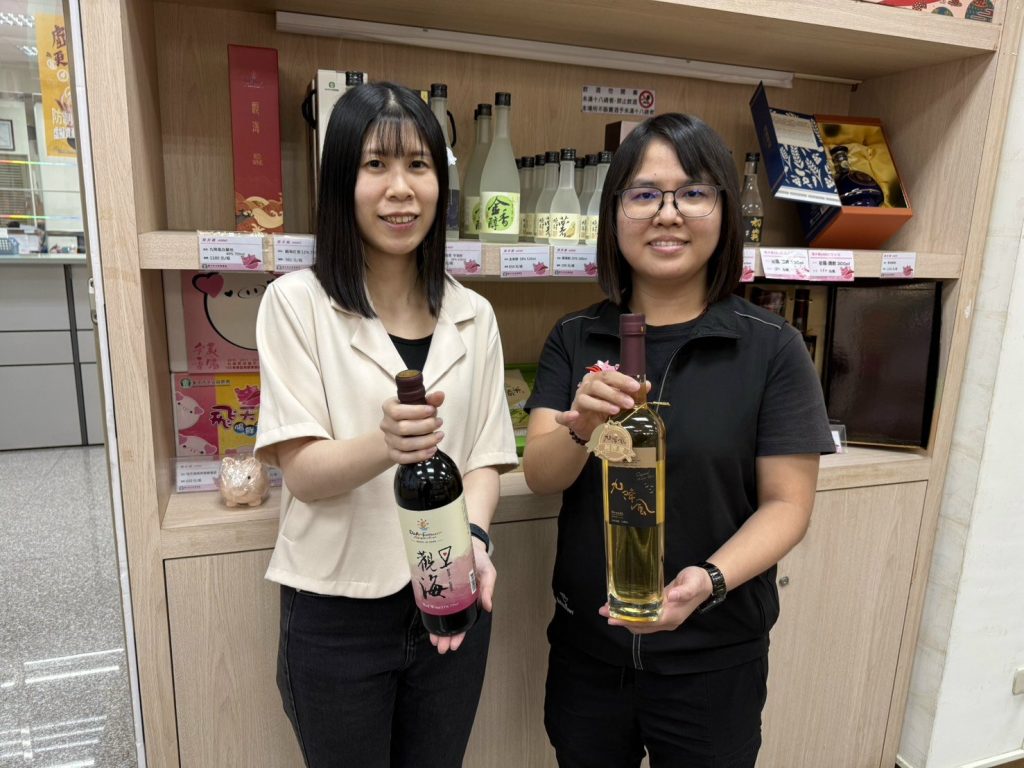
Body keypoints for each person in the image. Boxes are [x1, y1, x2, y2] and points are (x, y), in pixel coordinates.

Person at [522, 113, 835, 767]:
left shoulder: (771, 348)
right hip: (590, 653)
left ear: (724, 211)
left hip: (714, 657)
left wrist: (709, 582)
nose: (667, 213)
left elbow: (788, 504)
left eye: (692, 192)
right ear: (614, 215)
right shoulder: (576, 337)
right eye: (644, 194)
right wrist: (581, 426)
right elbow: (542, 476)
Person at [254, 82, 517, 768]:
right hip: (337, 608)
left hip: (451, 590)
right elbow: (304, 474)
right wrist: (385, 445)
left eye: (418, 165)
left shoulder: (475, 314)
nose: (401, 189)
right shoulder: (295, 303)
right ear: (342, 181)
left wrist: (475, 540)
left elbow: (485, 458)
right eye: (376, 164)